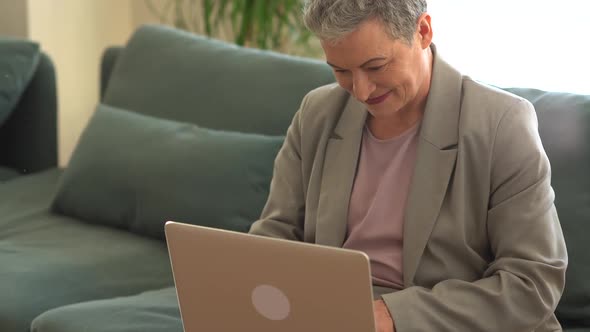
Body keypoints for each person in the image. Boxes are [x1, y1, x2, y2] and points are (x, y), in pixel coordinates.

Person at [249, 0, 568, 331]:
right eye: (341, 71)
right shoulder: (318, 113)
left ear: (423, 31)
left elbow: (533, 282)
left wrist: (393, 316)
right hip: (333, 317)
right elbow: (275, 235)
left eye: (375, 66)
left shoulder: (502, 124)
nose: (360, 90)